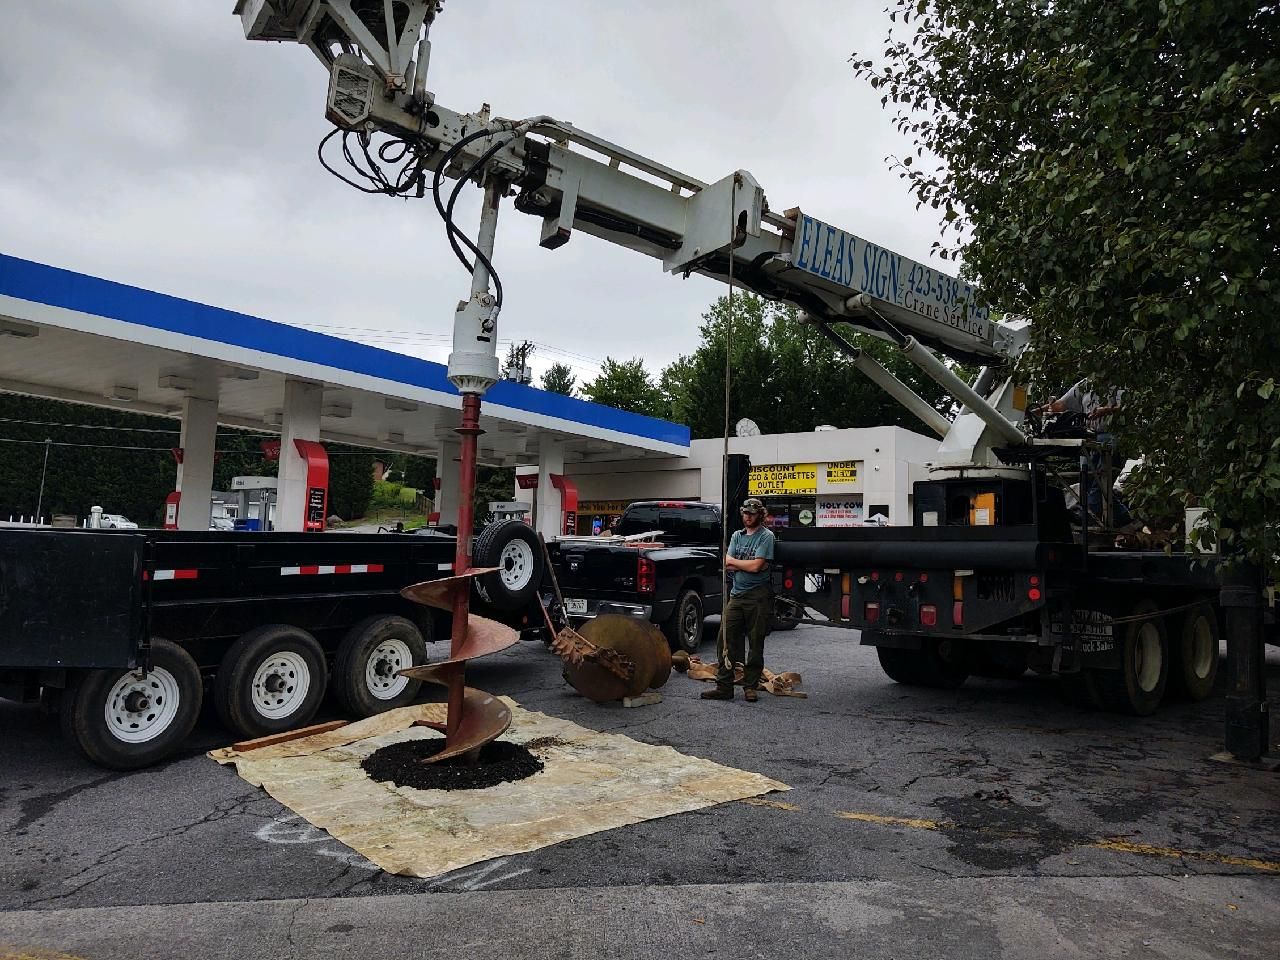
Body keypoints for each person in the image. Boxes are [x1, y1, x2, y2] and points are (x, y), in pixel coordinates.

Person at [701, 497, 776, 703]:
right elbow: (728, 563)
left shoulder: (766, 537)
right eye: (745, 513)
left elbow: (756, 567)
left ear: (759, 515)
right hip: (737, 594)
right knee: (725, 639)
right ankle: (724, 686)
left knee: (755, 642)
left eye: (751, 513)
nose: (748, 517)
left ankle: (750, 687)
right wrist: (741, 563)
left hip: (758, 596)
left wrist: (737, 563)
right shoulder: (736, 535)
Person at [1037, 379, 1132, 527]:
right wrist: (1036, 411)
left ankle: (1088, 516)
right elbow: (1061, 404)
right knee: (1086, 482)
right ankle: (1124, 517)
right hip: (1090, 437)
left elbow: (1127, 406)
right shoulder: (1086, 384)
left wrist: (1106, 410)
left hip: (1113, 435)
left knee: (1100, 482)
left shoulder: (1118, 379)